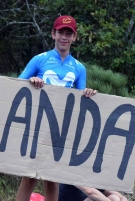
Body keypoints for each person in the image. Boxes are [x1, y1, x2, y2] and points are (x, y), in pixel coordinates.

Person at [16, 15, 97, 201]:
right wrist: (31, 81)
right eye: (61, 32)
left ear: (74, 38)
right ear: (53, 34)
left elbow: (80, 98)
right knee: (28, 178)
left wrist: (88, 93)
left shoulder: (79, 68)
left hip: (61, 130)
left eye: (69, 33)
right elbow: (17, 84)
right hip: (37, 126)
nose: (64, 37)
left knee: (53, 180)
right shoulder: (39, 59)